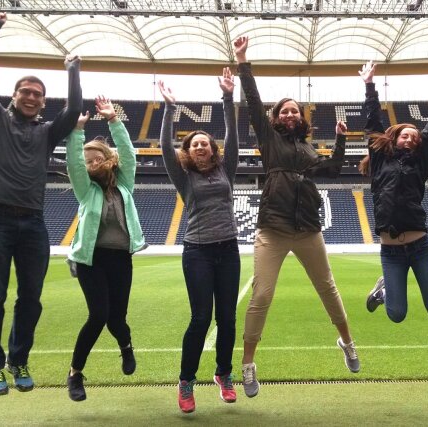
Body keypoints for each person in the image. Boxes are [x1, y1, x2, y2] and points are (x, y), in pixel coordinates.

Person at [233, 36, 358, 398]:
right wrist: (243, 62)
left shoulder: (307, 148)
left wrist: (340, 141)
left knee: (328, 288)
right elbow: (253, 102)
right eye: (284, 111)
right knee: (262, 294)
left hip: (307, 229)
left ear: (301, 118)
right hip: (272, 229)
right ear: (275, 118)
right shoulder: (268, 139)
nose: (290, 114)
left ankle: (347, 342)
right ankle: (249, 363)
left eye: (295, 111)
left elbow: (333, 170)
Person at [0, 10, 82, 396]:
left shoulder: (48, 132)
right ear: (14, 96)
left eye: (38, 94)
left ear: (42, 101)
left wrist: (72, 68)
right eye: (26, 92)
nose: (33, 97)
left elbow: (73, 109)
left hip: (33, 223)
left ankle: (18, 359)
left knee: (31, 299)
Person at [359, 61, 428, 323]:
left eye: (414, 137)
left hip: (419, 246)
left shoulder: (421, 162)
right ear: (394, 137)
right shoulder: (379, 158)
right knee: (396, 315)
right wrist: (370, 86)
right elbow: (373, 123)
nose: (410, 139)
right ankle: (384, 291)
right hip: (390, 250)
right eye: (405, 136)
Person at [158, 69, 241, 414]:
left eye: (205, 141)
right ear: (189, 152)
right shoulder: (184, 177)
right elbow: (164, 146)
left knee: (228, 318)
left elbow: (234, 135)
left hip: (228, 249)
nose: (201, 145)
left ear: (212, 148)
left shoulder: (226, 170)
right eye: (194, 143)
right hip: (197, 252)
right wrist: (168, 108)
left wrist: (227, 97)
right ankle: (186, 381)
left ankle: (223, 374)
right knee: (200, 318)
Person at [65, 96, 147, 401]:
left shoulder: (124, 184)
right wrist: (77, 133)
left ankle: (125, 346)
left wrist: (114, 120)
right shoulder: (86, 190)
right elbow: (73, 163)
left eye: (95, 158)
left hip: (120, 258)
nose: (90, 163)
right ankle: (75, 374)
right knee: (98, 314)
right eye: (86, 161)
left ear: (106, 157)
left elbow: (129, 154)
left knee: (117, 319)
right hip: (91, 259)